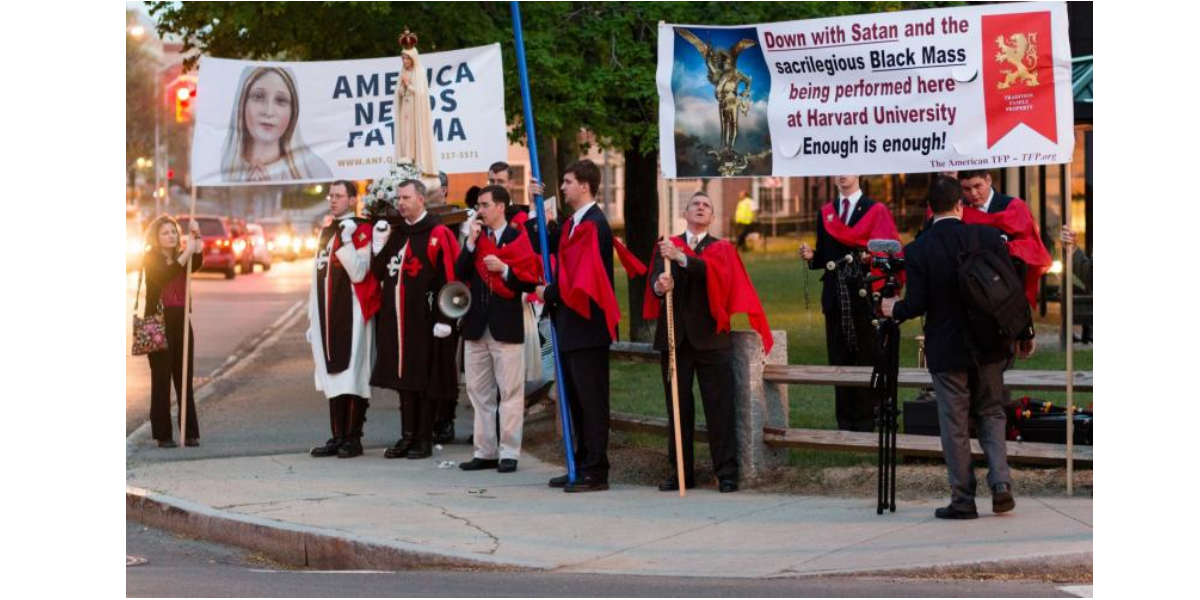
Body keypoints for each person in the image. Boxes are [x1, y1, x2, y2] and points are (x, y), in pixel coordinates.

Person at [882, 175, 1036, 519]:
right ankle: (1000, 484)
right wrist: (1025, 330)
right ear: (960, 205)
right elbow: (1012, 286)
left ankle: (963, 499)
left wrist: (894, 308)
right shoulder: (986, 237)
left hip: (947, 349)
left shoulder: (919, 249)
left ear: (928, 209)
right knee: (992, 413)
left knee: (954, 424)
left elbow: (917, 303)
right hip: (990, 345)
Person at [644, 192, 774, 493]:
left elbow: (713, 275)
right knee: (678, 407)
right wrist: (660, 286)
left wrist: (682, 259)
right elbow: (653, 282)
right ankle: (680, 472)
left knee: (719, 407)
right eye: (695, 204)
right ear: (685, 212)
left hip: (712, 338)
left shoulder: (721, 249)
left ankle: (726, 472)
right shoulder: (667, 245)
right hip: (676, 338)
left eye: (706, 206)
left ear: (712, 217)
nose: (701, 208)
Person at [535, 159, 617, 493]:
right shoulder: (572, 225)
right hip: (570, 326)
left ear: (585, 185)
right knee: (576, 403)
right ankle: (580, 462)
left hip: (587, 327)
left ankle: (596, 470)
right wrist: (536, 207)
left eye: (568, 181)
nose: (563, 186)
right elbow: (547, 244)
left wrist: (549, 293)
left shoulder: (594, 225)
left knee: (591, 401)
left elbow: (582, 279)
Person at [799, 175, 901, 432]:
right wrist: (813, 256)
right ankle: (845, 424)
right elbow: (825, 255)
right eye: (838, 170)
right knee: (840, 362)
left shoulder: (875, 210)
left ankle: (866, 422)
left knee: (867, 358)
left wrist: (871, 258)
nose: (843, 175)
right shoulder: (826, 213)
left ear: (859, 174)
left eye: (848, 169)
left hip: (865, 295)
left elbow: (891, 251)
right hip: (835, 297)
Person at [371, 179, 460, 460]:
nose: (400, 203)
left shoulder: (437, 233)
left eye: (406, 197)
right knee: (403, 380)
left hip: (425, 320)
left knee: (422, 380)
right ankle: (407, 436)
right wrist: (378, 244)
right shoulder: (398, 234)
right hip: (397, 320)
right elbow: (378, 271)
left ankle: (423, 438)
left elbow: (450, 277)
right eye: (398, 198)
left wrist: (446, 318)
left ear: (421, 199)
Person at [456, 186, 542, 473]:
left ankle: (509, 452)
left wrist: (505, 269)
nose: (480, 210)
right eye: (479, 205)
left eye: (485, 204)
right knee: (479, 393)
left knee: (510, 393)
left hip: (506, 325)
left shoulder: (518, 238)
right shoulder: (475, 238)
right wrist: (470, 243)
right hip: (476, 326)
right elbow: (459, 273)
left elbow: (530, 280)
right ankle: (485, 451)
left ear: (501, 206)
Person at [306, 181, 379, 459]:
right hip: (326, 315)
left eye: (339, 196)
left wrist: (348, 241)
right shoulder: (326, 231)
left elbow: (359, 272)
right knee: (333, 376)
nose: (333, 200)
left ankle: (353, 438)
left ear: (352, 198)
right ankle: (337, 436)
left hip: (353, 314)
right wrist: (312, 319)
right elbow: (316, 278)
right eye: (330, 195)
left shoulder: (361, 229)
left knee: (352, 374)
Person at [142, 216, 205, 447]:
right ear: (156, 237)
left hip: (181, 321)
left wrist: (196, 239)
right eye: (165, 233)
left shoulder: (182, 255)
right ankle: (163, 434)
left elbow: (196, 263)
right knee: (161, 379)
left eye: (173, 232)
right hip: (159, 323)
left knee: (184, 378)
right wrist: (186, 252)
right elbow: (167, 273)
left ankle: (189, 432)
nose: (170, 236)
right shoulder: (152, 257)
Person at [956, 170, 1052, 308]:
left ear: (988, 180)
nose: (973, 193)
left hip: (1008, 294)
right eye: (966, 189)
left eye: (977, 186)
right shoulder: (959, 210)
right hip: (970, 296)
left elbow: (1031, 248)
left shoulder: (1014, 207)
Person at [220, 66, 332, 182]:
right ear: (242, 103)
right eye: (258, 97)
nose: (269, 112)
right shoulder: (218, 169)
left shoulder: (315, 171)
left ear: (293, 111)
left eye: (280, 100)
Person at [394, 34, 439, 176]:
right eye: (403, 58)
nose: (405, 60)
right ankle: (406, 159)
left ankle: (416, 161)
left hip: (415, 110)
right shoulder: (402, 72)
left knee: (414, 134)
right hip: (405, 109)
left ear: (413, 58)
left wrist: (408, 85)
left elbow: (421, 94)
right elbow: (399, 94)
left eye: (407, 58)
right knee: (405, 134)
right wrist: (402, 88)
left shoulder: (419, 72)